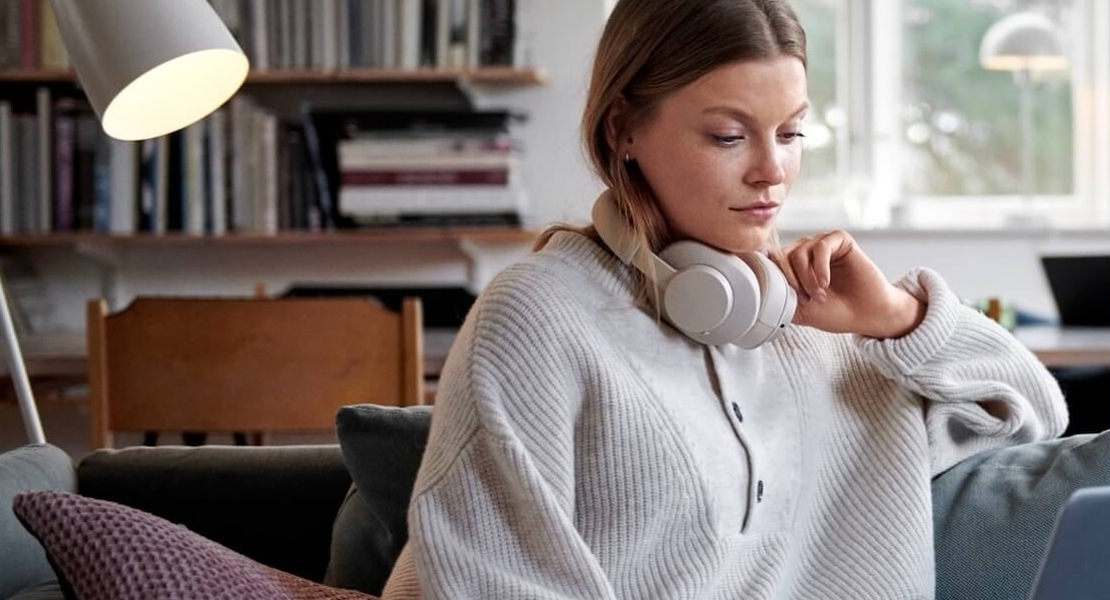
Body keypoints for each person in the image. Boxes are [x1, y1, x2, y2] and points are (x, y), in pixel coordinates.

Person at [379, 1, 1068, 597]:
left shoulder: (829, 319)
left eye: (791, 133)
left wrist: (897, 317)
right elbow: (494, 579)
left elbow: (1037, 413)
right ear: (622, 130)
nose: (772, 171)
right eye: (729, 136)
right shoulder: (538, 314)